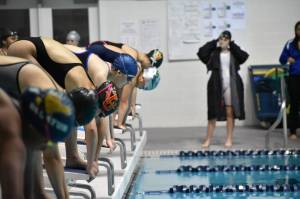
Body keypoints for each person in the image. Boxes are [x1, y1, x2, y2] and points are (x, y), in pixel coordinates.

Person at [0, 55, 75, 199]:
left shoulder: (29, 119)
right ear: (35, 126)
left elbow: (30, 191)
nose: (46, 146)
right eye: (49, 139)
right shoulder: (9, 122)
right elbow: (13, 194)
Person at [197, 30, 249, 148]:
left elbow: (244, 56)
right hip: (216, 85)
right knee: (212, 113)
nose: (222, 41)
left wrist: (232, 45)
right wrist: (214, 42)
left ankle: (229, 138)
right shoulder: (213, 54)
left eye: (225, 39)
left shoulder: (234, 53)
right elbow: (201, 52)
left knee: (229, 112)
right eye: (221, 39)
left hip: (232, 85)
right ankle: (208, 139)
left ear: (229, 41)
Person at [279, 21, 300, 140]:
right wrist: (287, 58)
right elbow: (281, 59)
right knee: (294, 104)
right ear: (295, 31)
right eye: (298, 29)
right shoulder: (289, 44)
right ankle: (293, 131)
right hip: (294, 77)